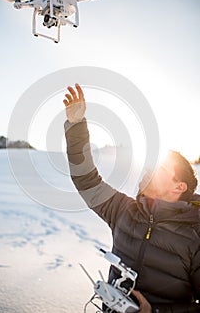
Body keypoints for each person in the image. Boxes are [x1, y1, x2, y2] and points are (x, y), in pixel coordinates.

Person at [63, 84, 200, 313]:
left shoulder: (195, 236)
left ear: (179, 186)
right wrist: (76, 126)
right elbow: (86, 179)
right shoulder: (124, 211)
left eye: (161, 169)